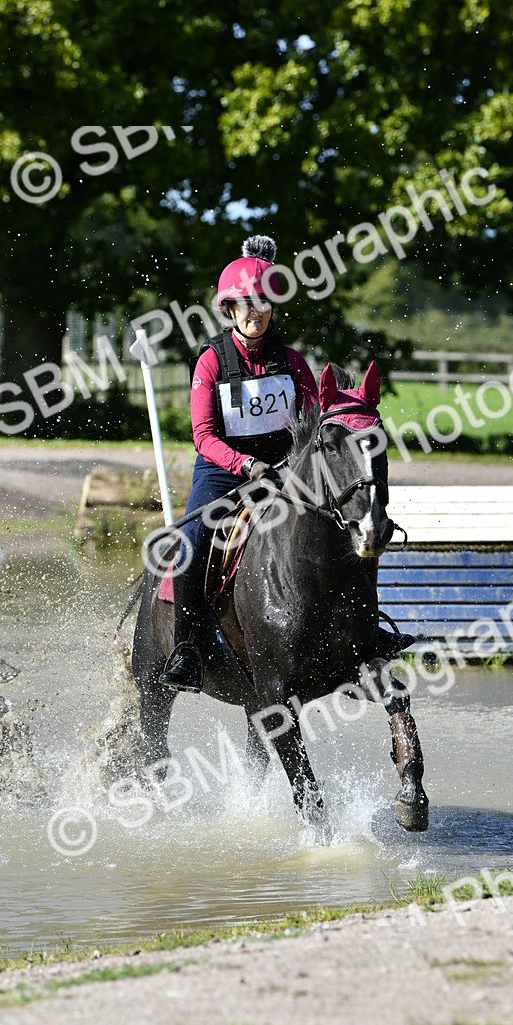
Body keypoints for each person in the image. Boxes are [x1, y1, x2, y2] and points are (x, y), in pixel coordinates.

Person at [160, 234, 319, 691]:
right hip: (224, 472)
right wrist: (247, 466)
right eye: (246, 304)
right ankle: (186, 647)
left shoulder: (292, 362)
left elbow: (315, 423)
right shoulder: (210, 362)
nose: (257, 312)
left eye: (264, 303)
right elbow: (203, 437)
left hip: (286, 471)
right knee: (192, 539)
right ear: (230, 310)